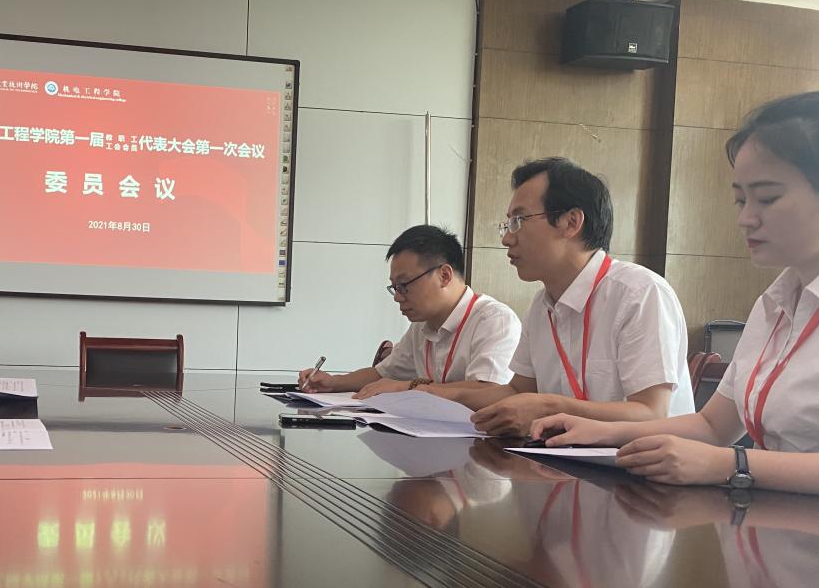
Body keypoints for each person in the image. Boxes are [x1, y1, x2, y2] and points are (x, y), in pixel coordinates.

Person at [531, 92, 819, 495]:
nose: (744, 218)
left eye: (767, 197)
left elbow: (722, 450)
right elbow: (713, 425)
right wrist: (601, 431)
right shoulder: (774, 305)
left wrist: (732, 464)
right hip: (768, 523)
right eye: (740, 199)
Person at [423, 157, 694, 436]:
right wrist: (433, 395)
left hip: (639, 461)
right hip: (564, 456)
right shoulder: (541, 306)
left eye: (519, 221)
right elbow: (518, 391)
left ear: (570, 222)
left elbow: (651, 413)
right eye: (508, 224)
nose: (506, 239)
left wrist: (549, 407)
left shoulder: (639, 293)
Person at [298, 225, 520, 396]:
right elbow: (382, 374)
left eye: (404, 285)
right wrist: (333, 382)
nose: (397, 296)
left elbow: (488, 390)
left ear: (444, 275)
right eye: (394, 287)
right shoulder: (421, 326)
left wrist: (408, 387)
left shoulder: (494, 320)